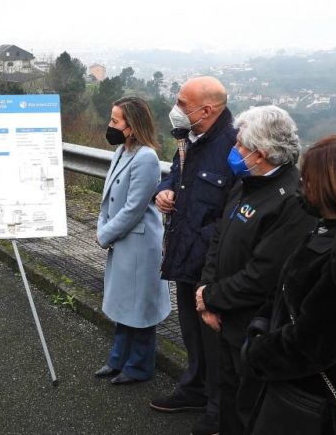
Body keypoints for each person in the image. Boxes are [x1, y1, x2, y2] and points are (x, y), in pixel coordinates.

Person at [244, 135, 336, 435]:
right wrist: (261, 323)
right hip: (299, 392)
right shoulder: (334, 229)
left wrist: (256, 352)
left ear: (332, 185)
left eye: (308, 179)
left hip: (314, 404)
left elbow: (314, 343)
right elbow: (285, 290)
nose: (302, 186)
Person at [195, 105, 317, 434]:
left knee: (249, 409)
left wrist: (212, 298)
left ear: (260, 154)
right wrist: (206, 292)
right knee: (228, 402)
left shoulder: (291, 200)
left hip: (252, 328)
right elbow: (220, 238)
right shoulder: (248, 181)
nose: (233, 151)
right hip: (223, 316)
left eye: (239, 146)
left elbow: (264, 274)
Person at [149, 76, 237, 435]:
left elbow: (234, 210)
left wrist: (210, 249)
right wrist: (164, 192)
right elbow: (174, 176)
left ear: (208, 110)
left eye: (183, 103)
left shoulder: (234, 146)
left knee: (216, 341)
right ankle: (194, 388)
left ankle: (219, 412)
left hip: (213, 264)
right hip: (185, 253)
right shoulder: (188, 140)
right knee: (192, 333)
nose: (176, 109)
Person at [94, 96, 171, 385]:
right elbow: (109, 198)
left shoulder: (146, 158)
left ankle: (139, 366)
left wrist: (104, 233)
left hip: (139, 243)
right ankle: (118, 360)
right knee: (125, 303)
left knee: (140, 307)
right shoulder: (122, 151)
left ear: (133, 125)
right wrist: (104, 225)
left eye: (115, 121)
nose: (110, 126)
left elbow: (133, 208)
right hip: (124, 240)